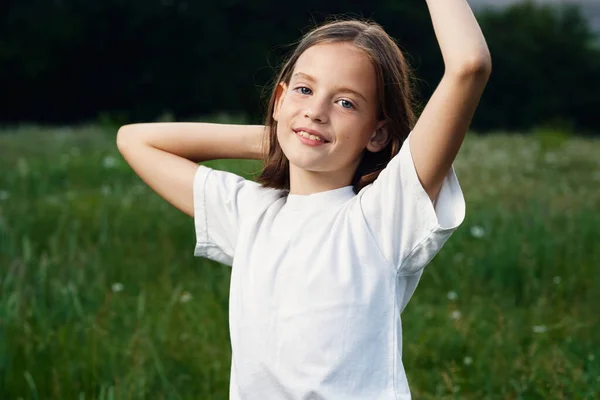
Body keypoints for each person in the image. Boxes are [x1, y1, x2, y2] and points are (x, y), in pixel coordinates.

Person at [116, 0, 491, 398]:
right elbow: (135, 140)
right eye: (304, 90)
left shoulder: (383, 215)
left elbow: (469, 65)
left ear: (377, 134)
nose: (315, 111)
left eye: (345, 102)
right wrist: (280, 135)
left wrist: (292, 131)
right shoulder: (251, 213)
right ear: (279, 100)